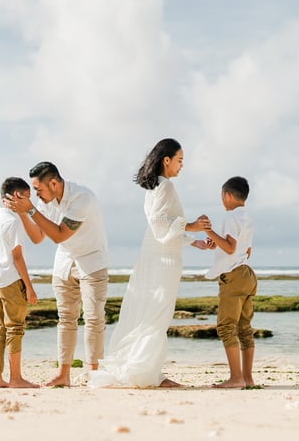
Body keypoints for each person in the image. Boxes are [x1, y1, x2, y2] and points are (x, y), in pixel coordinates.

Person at [89, 138, 210, 388]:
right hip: (164, 260)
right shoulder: (166, 187)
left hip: (155, 254)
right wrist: (192, 226)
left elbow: (162, 226)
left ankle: (147, 370)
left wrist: (193, 241)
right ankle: (144, 373)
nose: (182, 165)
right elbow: (159, 222)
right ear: (166, 160)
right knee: (158, 314)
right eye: (179, 160)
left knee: (150, 311)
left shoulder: (154, 188)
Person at [4, 162, 108, 387]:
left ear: (53, 183)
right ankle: (63, 374)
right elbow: (37, 237)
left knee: (93, 319)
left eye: (38, 189)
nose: (37, 195)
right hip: (64, 263)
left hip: (91, 261)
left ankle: (94, 374)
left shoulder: (82, 198)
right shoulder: (46, 202)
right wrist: (22, 212)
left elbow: (60, 234)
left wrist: (30, 210)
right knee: (66, 320)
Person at [193, 176, 257, 388]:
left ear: (227, 196)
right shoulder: (247, 218)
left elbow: (229, 248)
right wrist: (215, 241)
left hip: (233, 276)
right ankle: (247, 378)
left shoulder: (230, 217)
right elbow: (245, 250)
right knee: (244, 328)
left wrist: (208, 231)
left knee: (226, 327)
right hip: (247, 274)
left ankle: (236, 378)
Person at [0, 177, 39, 389]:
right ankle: (16, 379)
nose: (29, 202)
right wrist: (30, 287)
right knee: (15, 329)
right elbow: (17, 257)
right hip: (10, 281)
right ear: (17, 196)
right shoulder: (13, 222)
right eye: (27, 197)